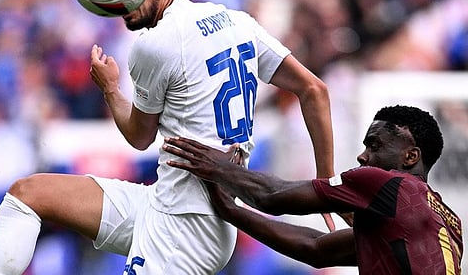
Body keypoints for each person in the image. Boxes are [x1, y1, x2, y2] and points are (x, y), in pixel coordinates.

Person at [0, 0, 335, 275]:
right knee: (28, 194)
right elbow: (313, 90)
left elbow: (140, 137)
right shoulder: (237, 21)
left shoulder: (156, 44)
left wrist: (110, 89)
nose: (124, 1)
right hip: (171, 202)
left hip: (185, 227)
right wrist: (328, 186)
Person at [163, 105, 464, 274]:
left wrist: (216, 166)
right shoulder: (447, 222)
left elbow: (272, 195)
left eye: (375, 146)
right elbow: (316, 249)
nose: (363, 156)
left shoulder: (390, 185)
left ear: (410, 157)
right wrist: (232, 210)